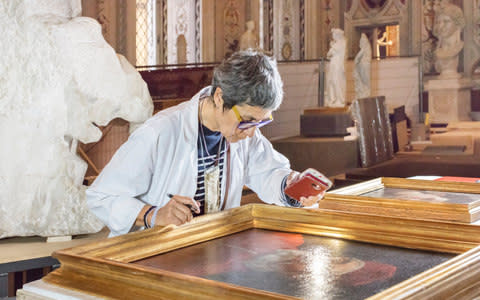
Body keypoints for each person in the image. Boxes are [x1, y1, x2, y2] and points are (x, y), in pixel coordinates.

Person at [87, 50, 327, 237]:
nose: (252, 133)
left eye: (261, 123)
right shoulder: (159, 132)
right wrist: (153, 214)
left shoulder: (242, 132)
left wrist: (291, 185)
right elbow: (101, 197)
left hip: (208, 248)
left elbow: (269, 172)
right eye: (248, 121)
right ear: (220, 97)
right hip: (155, 255)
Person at [432, 2, 465, 78]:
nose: (441, 26)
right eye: (438, 22)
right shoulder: (438, 51)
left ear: (457, 24)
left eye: (446, 21)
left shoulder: (459, 47)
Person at [324, 28, 346, 108]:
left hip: (337, 66)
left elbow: (329, 53)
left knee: (336, 82)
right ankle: (335, 99)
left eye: (333, 35)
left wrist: (331, 46)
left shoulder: (340, 44)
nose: (333, 36)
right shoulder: (339, 43)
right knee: (333, 81)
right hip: (334, 65)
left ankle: (339, 99)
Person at [354, 33, 372, 99]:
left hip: (364, 66)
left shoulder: (365, 48)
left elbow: (358, 56)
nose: (360, 44)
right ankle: (363, 92)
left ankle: (365, 93)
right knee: (362, 81)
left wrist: (356, 60)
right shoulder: (366, 47)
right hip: (363, 65)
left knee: (365, 80)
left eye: (361, 42)